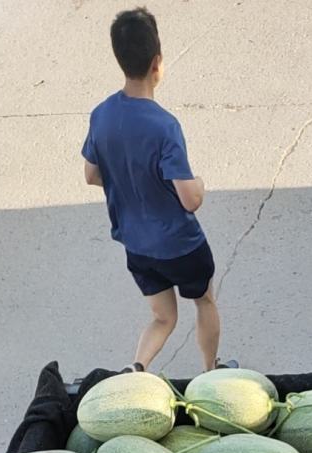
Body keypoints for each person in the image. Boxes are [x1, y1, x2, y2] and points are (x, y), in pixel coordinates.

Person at [81, 7, 231, 373]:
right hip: (181, 246)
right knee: (204, 301)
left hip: (137, 246)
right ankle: (211, 371)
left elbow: (91, 174)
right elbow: (190, 199)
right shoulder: (164, 126)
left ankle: (137, 368)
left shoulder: (101, 115)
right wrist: (200, 185)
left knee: (163, 318)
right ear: (158, 62)